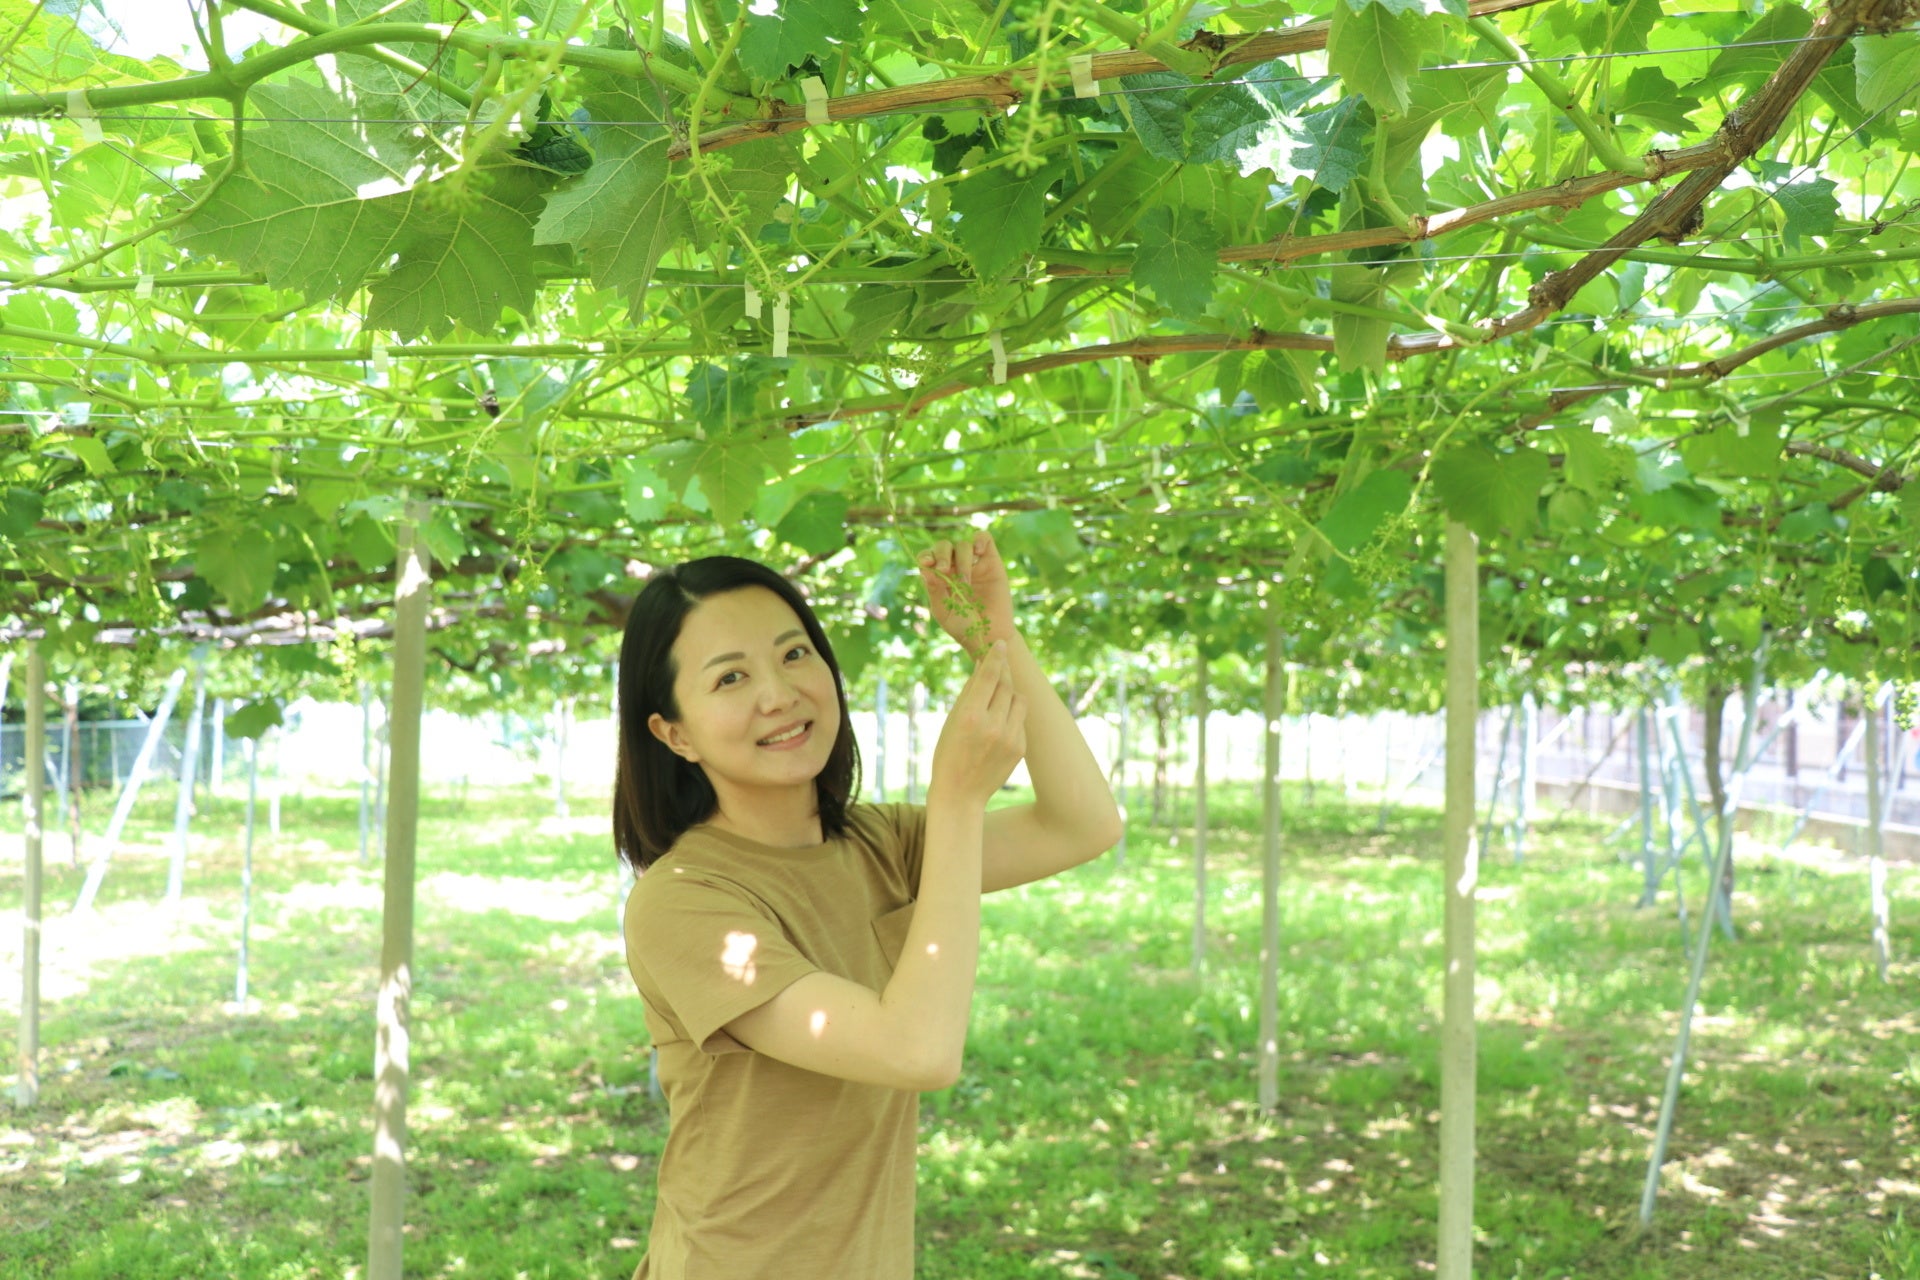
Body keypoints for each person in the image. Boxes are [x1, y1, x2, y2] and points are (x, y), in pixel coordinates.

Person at [612, 530, 1122, 1280]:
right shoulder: (682, 904)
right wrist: (957, 799)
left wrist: (996, 639)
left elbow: (1083, 823)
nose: (779, 695)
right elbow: (915, 1050)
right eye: (729, 679)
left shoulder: (881, 841)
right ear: (674, 734)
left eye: (795, 654)